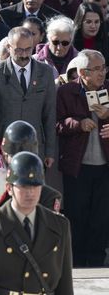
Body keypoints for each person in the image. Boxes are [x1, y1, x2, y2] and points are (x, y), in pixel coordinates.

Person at [0, 151, 73, 294]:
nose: (31, 193)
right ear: (9, 188)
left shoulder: (59, 225)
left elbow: (64, 285)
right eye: (24, 186)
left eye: (35, 186)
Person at [57, 49, 109, 267]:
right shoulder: (67, 91)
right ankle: (76, 260)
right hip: (77, 164)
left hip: (104, 165)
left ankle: (97, 259)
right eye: (96, 69)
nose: (101, 74)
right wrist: (78, 124)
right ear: (81, 72)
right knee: (77, 214)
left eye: (103, 68)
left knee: (101, 215)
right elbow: (56, 124)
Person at [0, 26, 57, 169]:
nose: (24, 55)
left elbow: (50, 113)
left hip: (36, 148)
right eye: (18, 50)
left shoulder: (46, 73)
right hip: (4, 149)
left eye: (28, 49)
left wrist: (49, 151)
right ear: (8, 47)